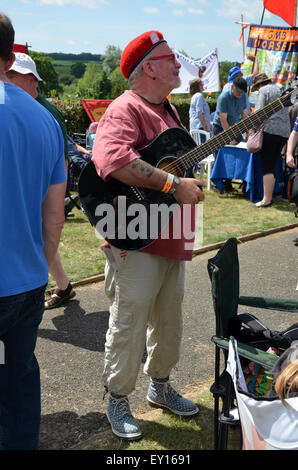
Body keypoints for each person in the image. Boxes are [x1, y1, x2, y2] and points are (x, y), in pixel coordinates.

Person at [91, 30, 204, 440]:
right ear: (149, 67)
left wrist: (188, 185)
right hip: (134, 238)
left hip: (169, 235)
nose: (179, 64)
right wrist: (174, 187)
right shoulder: (125, 108)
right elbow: (112, 160)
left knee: (169, 319)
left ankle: (160, 385)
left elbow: (170, 165)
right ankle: (117, 398)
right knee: (130, 320)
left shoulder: (168, 110)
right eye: (171, 58)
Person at [0, 13, 66, 449]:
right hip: (26, 286)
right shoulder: (45, 120)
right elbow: (54, 215)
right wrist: (38, 268)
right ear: (10, 56)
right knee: (17, 374)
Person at [6, 53, 76, 309]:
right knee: (42, 232)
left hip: (48, 184)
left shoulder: (44, 111)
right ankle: (62, 285)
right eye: (31, 79)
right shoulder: (25, 107)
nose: (35, 85)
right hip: (42, 184)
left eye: (34, 80)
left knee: (43, 230)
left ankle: (53, 283)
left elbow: (61, 160)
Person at [252, 73, 291, 207]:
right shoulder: (280, 89)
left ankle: (266, 200)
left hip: (270, 130)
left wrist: (253, 130)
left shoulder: (264, 91)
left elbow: (258, 113)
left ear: (259, 85)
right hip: (284, 131)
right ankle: (269, 196)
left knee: (267, 165)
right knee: (273, 163)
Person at [212, 76, 248, 192]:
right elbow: (223, 120)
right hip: (220, 128)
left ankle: (230, 184)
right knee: (220, 156)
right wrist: (230, 137)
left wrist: (249, 131)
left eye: (243, 92)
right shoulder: (224, 97)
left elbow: (244, 115)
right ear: (232, 87)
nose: (240, 94)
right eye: (238, 92)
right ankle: (218, 185)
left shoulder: (242, 96)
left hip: (233, 126)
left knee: (235, 155)